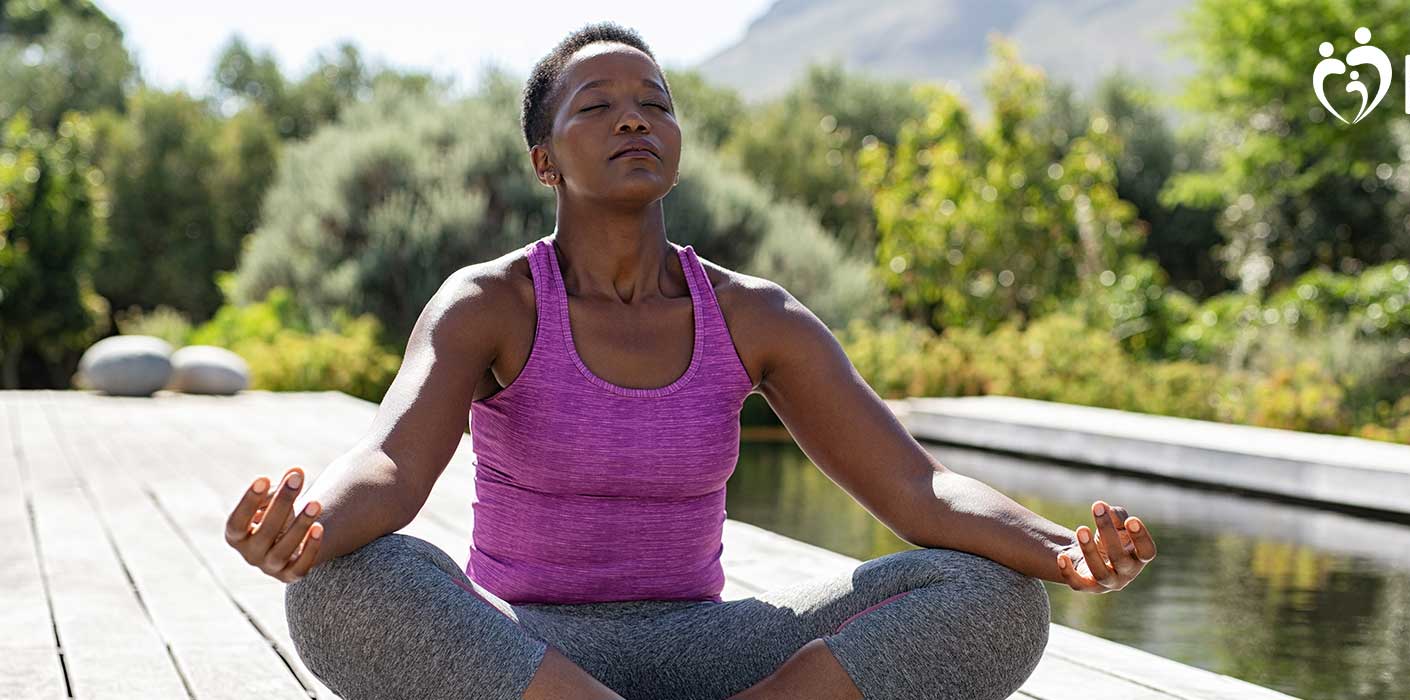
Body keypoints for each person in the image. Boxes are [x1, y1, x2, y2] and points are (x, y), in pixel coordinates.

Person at [223, 21, 1157, 700]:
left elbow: (920, 491)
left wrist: (1061, 551)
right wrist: (306, 528)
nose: (635, 120)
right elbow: (388, 464)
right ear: (545, 161)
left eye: (654, 104)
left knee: (991, 595)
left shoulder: (754, 317)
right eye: (599, 106)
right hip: (525, 650)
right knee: (342, 586)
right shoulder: (492, 301)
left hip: (711, 646)